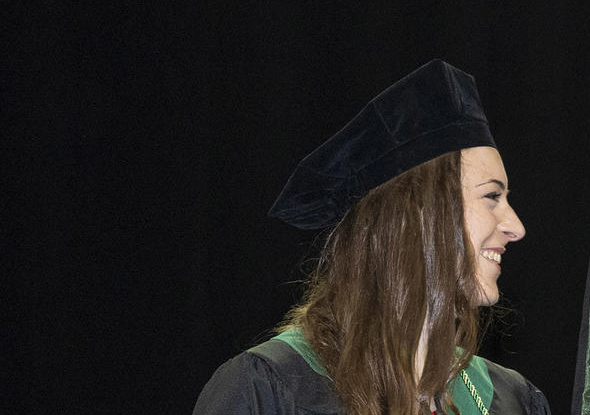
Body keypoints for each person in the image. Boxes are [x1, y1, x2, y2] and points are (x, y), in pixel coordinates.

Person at [194, 59, 550, 415]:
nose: (516, 226)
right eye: (492, 197)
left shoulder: (508, 398)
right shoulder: (273, 389)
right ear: (416, 215)